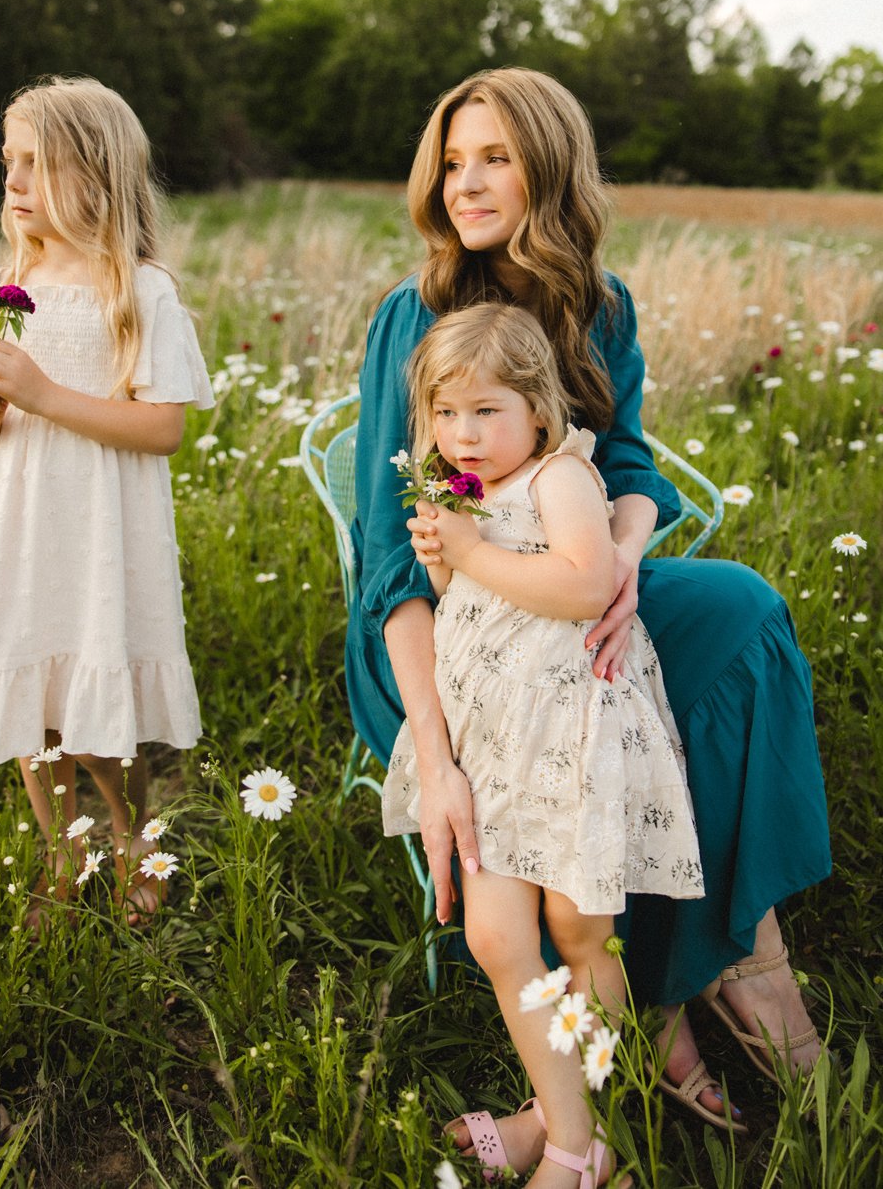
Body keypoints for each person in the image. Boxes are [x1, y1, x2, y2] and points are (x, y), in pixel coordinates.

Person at [345, 68, 829, 1171]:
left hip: (566, 590)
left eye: (496, 157)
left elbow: (626, 463)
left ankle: (744, 949)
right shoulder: (410, 317)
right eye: (453, 159)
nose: (466, 183)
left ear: (548, 166)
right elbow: (392, 558)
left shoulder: (598, 309)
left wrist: (615, 560)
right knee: (584, 721)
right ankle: (647, 1014)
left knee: (740, 613)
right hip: (441, 637)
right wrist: (434, 751)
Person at [382, 302, 703, 1185]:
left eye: (486, 411)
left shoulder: (561, 477)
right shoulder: (461, 489)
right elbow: (457, 605)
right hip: (494, 740)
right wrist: (444, 556)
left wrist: (472, 554)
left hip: (573, 737)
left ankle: (579, 1135)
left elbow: (585, 583)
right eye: (446, 414)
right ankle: (572, 1130)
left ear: (536, 409)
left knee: (578, 926)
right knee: (495, 934)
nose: (464, 434)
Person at [0, 76, 213, 927]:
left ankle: (133, 836)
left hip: (100, 532)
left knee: (96, 712)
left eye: (36, 165)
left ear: (95, 176)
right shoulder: (3, 287)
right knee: (32, 702)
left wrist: (43, 393)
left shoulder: (138, 291)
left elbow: (162, 427)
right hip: (24, 527)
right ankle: (64, 850)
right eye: (8, 163)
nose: (14, 183)